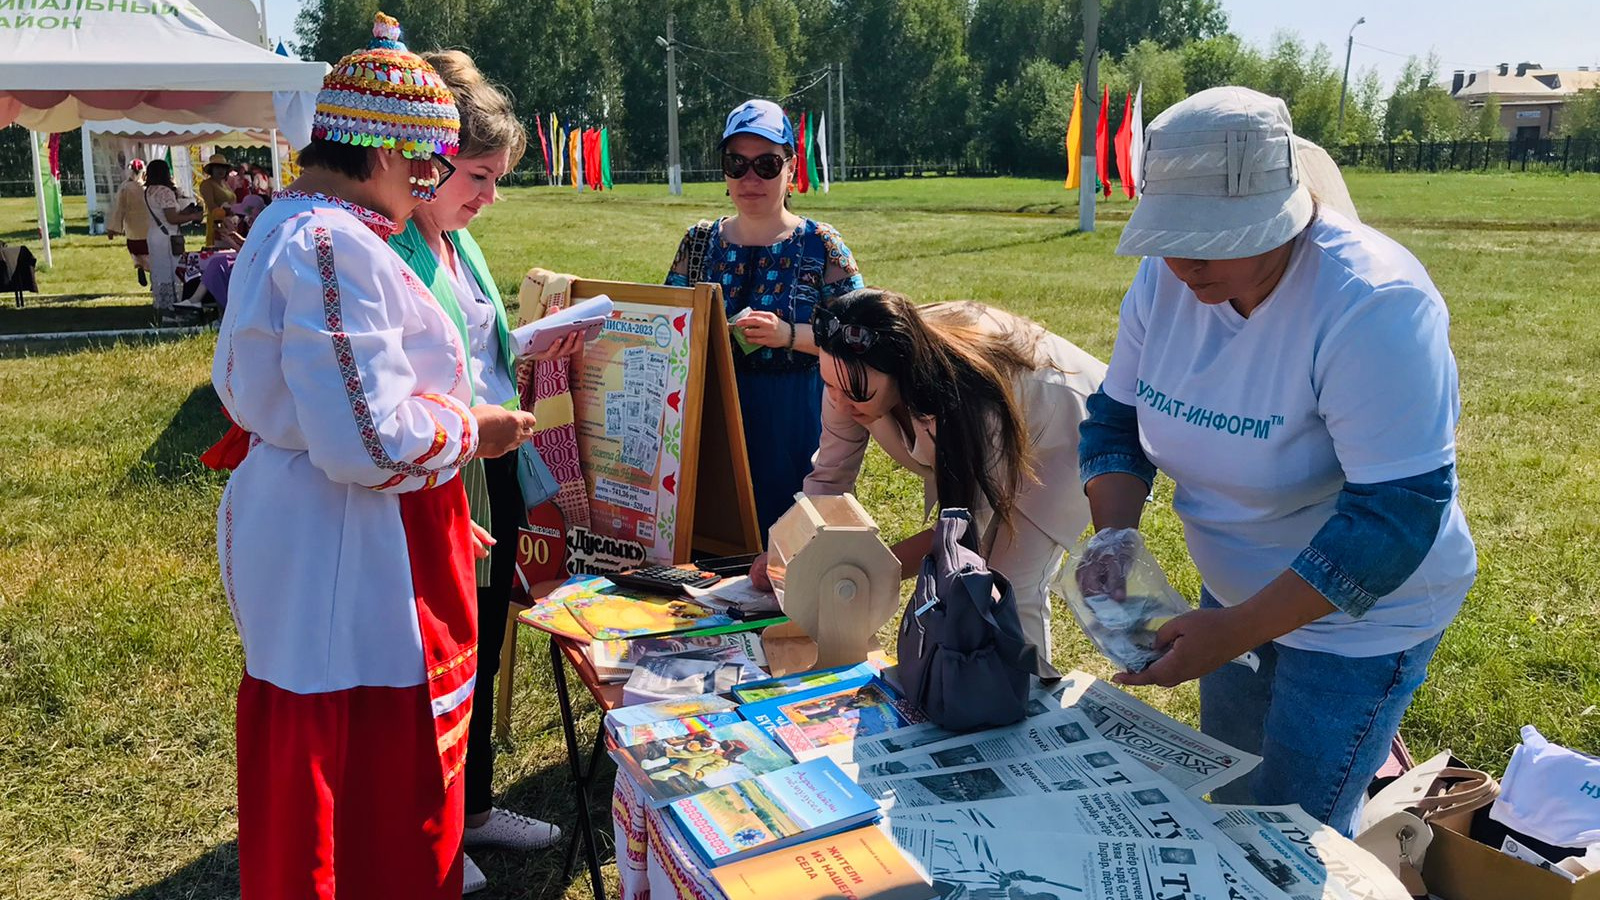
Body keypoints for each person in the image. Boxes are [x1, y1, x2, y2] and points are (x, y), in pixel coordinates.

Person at [1076, 87, 1476, 837]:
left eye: (1216, 240)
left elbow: (1395, 516)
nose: (1186, 263)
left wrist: (1239, 630)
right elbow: (1114, 424)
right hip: (1233, 587)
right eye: (1172, 237)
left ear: (1287, 214)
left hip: (1366, 618)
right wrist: (1115, 539)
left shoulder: (1373, 304)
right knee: (1235, 796)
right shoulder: (1163, 282)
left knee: (1297, 828)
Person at [210, 14, 538, 897]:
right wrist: (477, 431)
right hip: (342, 544)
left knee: (340, 753)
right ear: (394, 156)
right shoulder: (336, 243)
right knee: (357, 767)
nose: (426, 189)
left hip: (342, 523)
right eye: (433, 168)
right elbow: (370, 438)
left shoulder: (293, 223)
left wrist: (437, 500)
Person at [387, 48, 576, 895]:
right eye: (479, 176)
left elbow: (475, 353)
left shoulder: (451, 239)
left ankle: (473, 805)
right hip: (440, 476)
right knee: (439, 652)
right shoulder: (388, 246)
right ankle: (432, 830)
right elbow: (411, 386)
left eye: (497, 178)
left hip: (488, 461)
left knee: (484, 636)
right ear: (426, 162)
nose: (489, 197)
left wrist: (536, 344)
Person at [752, 288, 1107, 678]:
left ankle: (1027, 698)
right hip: (994, 420)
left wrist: (863, 571)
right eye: (828, 384)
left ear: (901, 373)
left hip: (1065, 426)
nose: (837, 401)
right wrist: (792, 559)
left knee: (1011, 579)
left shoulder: (966, 399)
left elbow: (962, 530)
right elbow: (830, 476)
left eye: (851, 392)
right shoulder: (847, 372)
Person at [665, 99, 865, 538]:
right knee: (711, 545)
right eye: (736, 164)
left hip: (796, 420)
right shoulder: (698, 242)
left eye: (767, 164)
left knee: (790, 549)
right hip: (710, 416)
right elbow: (667, 329)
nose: (749, 178)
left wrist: (789, 335)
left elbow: (865, 339)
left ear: (791, 168)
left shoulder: (821, 245)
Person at [142, 159, 203, 325]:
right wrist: (192, 216)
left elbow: (166, 215)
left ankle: (162, 306)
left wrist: (184, 211)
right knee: (174, 271)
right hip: (168, 237)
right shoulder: (165, 192)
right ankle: (175, 308)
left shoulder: (148, 191)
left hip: (154, 235)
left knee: (160, 271)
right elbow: (172, 218)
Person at [106, 159, 150, 286]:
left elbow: (119, 208)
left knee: (135, 248)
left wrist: (113, 228)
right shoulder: (147, 187)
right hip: (147, 223)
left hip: (132, 224)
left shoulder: (125, 187)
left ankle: (140, 266)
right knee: (149, 250)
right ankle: (152, 272)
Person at [198, 153, 236, 247]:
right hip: (218, 223)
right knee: (221, 250)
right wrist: (225, 215)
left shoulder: (225, 184)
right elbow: (211, 206)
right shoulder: (207, 184)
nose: (221, 170)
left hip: (232, 222)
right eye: (217, 167)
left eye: (223, 168)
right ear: (212, 169)